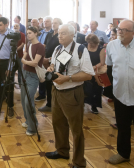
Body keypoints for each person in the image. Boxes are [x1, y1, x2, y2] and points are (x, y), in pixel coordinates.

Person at [45, 24, 95, 168]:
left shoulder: (80, 49)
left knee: (76, 129)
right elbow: (54, 65)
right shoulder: (58, 48)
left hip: (72, 93)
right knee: (58, 123)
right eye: (59, 33)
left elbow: (88, 75)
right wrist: (51, 68)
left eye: (64, 33)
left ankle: (79, 162)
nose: (60, 36)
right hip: (56, 91)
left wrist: (68, 78)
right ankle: (62, 151)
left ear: (73, 35)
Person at [106, 19, 134, 165]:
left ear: (133, 33)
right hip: (120, 93)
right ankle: (123, 153)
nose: (120, 32)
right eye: (119, 29)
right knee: (123, 126)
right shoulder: (111, 45)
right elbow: (109, 68)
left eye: (124, 30)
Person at [21, 26, 45, 135]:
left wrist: (24, 62)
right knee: (23, 100)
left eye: (30, 33)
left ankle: (32, 127)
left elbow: (35, 62)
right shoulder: (29, 45)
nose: (28, 35)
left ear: (36, 33)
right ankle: (29, 121)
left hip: (33, 76)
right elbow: (24, 56)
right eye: (27, 33)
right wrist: (24, 61)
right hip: (24, 73)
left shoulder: (40, 46)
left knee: (28, 101)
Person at [38, 17, 62, 112]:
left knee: (55, 83)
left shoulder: (60, 36)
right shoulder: (50, 34)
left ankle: (56, 104)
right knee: (48, 82)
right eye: (53, 23)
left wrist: (49, 59)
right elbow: (44, 46)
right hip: (46, 61)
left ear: (60, 24)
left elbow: (61, 51)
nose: (53, 24)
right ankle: (49, 103)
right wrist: (42, 57)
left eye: (55, 23)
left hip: (56, 61)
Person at [84, 34, 105, 114]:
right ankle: (83, 102)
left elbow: (102, 63)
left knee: (95, 89)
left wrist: (93, 67)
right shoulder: (84, 46)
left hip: (96, 71)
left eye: (92, 43)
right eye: (88, 42)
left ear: (96, 42)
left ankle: (94, 106)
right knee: (85, 88)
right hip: (85, 70)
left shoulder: (100, 49)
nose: (90, 44)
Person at [36, 16, 53, 102]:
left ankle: (49, 97)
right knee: (41, 75)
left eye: (47, 21)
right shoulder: (41, 32)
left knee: (48, 76)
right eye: (44, 21)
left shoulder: (53, 33)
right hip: (40, 55)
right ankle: (42, 94)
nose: (45, 23)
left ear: (51, 23)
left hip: (48, 57)